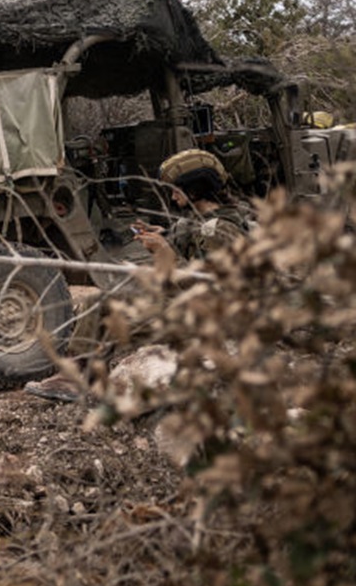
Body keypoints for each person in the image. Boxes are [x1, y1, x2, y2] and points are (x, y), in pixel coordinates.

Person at [25, 148, 253, 403]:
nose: (173, 196)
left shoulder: (219, 231)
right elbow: (188, 240)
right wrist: (162, 235)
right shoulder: (201, 220)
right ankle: (74, 376)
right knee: (99, 301)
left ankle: (80, 380)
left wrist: (165, 252)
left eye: (177, 190)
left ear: (195, 190)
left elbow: (209, 286)